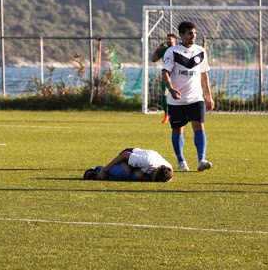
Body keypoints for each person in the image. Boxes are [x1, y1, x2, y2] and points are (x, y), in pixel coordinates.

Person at [161, 21, 214, 172]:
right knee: (178, 129)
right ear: (181, 35)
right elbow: (165, 72)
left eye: (194, 33)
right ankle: (181, 161)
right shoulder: (172, 52)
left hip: (196, 98)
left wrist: (208, 96)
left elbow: (204, 75)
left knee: (199, 126)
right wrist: (170, 89)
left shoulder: (200, 51)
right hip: (176, 100)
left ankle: (201, 160)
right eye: (190, 33)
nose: (193, 36)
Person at [83, 148, 173, 182]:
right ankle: (98, 169)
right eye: (153, 176)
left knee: (137, 177)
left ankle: (102, 177)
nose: (152, 179)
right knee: (123, 173)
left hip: (141, 166)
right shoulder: (148, 161)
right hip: (128, 154)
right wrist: (104, 170)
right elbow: (125, 155)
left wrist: (149, 178)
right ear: (158, 168)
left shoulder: (168, 175)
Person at [152, 34, 177, 123]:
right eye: (167, 39)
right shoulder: (165, 50)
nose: (167, 40)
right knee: (165, 93)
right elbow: (154, 59)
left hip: (177, 75)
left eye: (169, 39)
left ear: (175, 40)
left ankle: (179, 113)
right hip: (166, 75)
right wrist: (158, 49)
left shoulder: (179, 49)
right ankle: (167, 115)